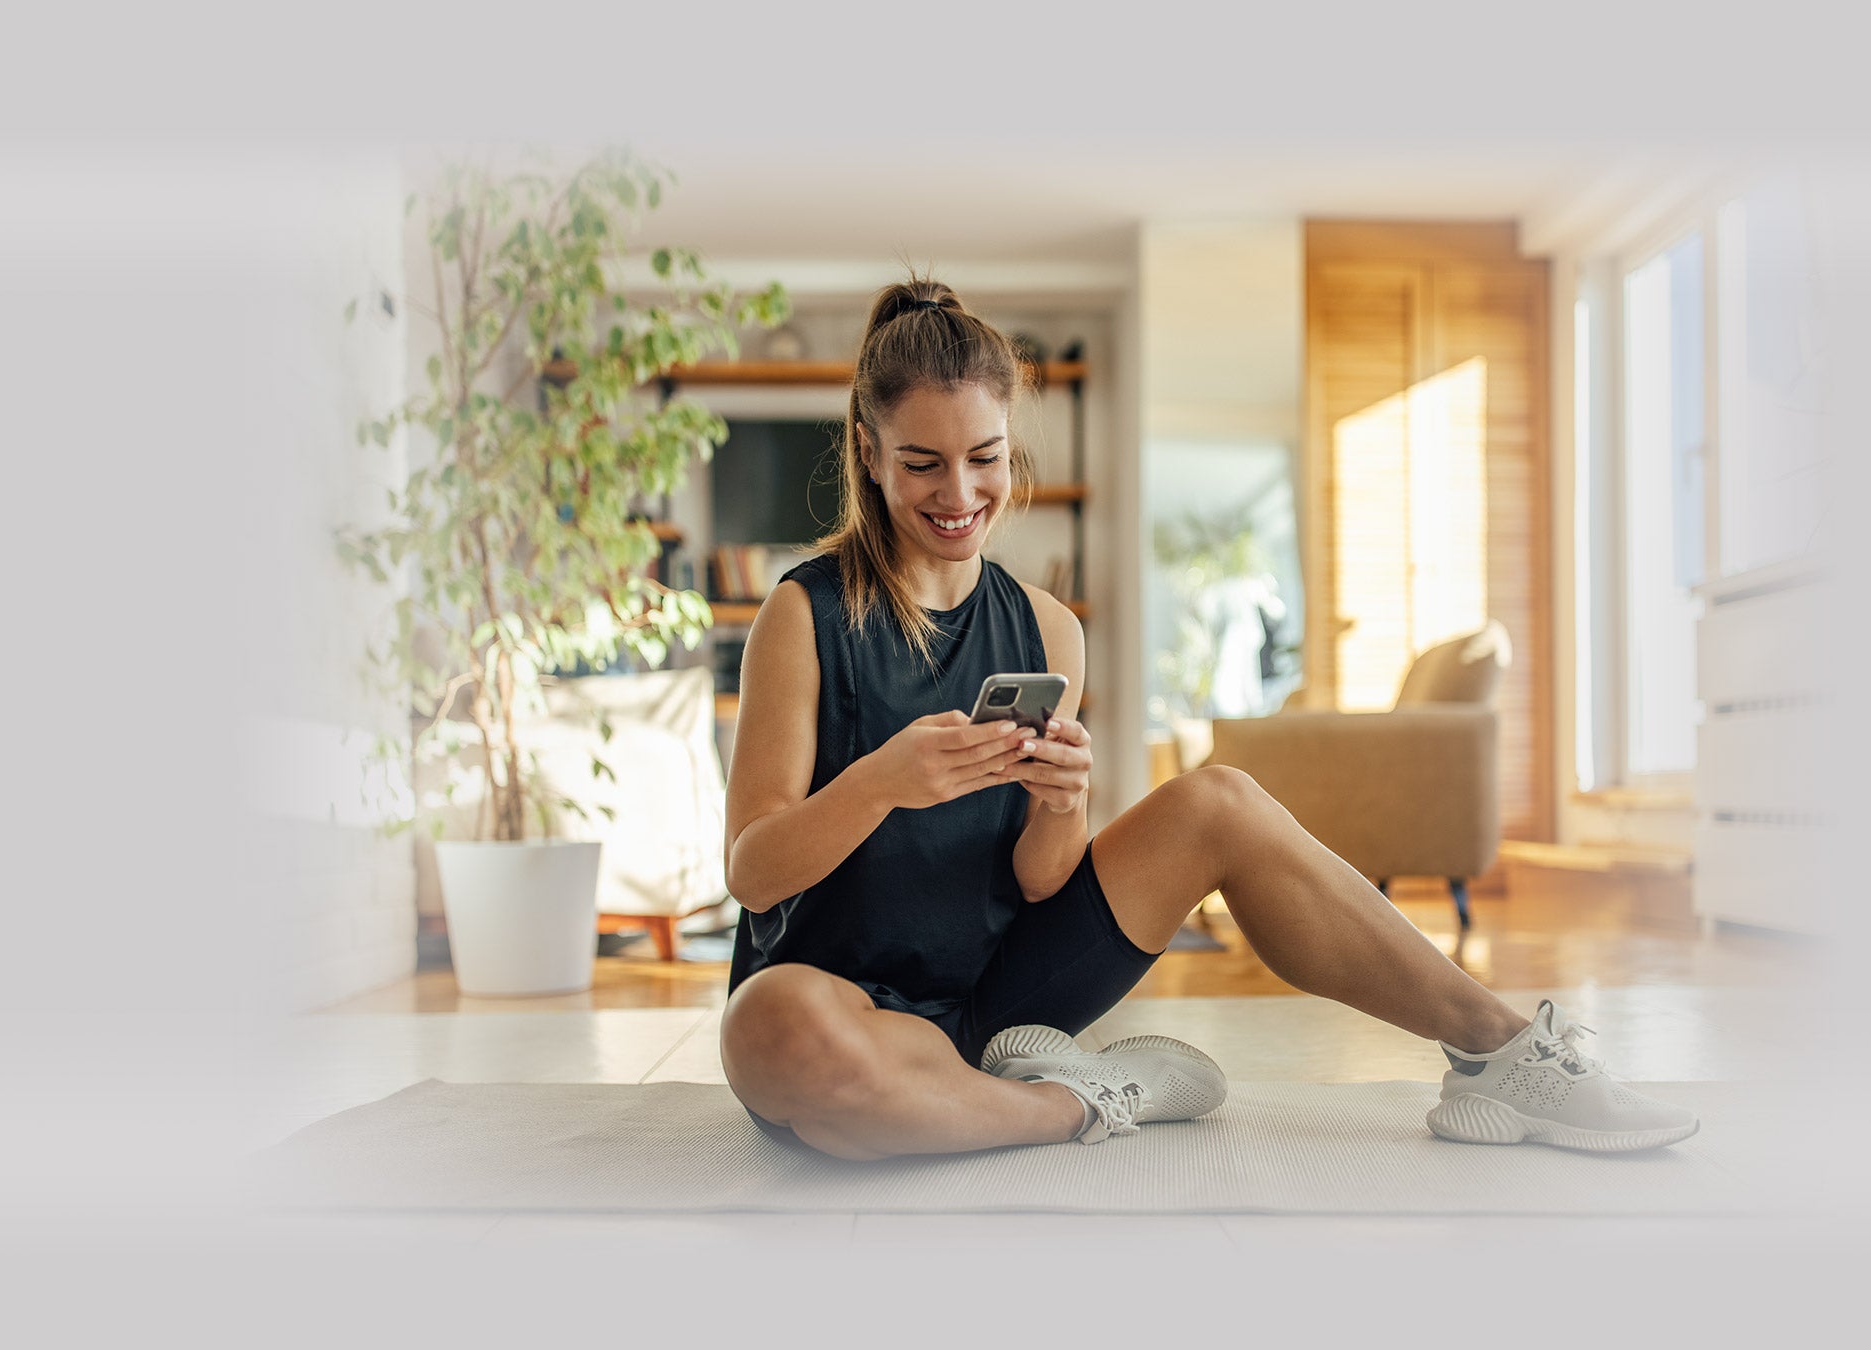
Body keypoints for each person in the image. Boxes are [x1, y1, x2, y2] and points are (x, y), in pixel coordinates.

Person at [718, 276, 1699, 1161]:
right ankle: (1092, 1101)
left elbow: (1041, 882)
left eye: (986, 459)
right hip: (837, 1008)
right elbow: (752, 872)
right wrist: (880, 784)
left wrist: (1064, 803)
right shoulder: (803, 618)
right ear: (868, 451)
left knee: (1220, 800)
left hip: (999, 1006)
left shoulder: (1050, 629)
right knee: (768, 1029)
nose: (962, 495)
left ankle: (1505, 1055)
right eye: (923, 464)